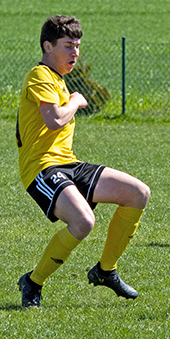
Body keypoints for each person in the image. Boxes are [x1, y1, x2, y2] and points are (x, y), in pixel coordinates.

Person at [16, 15, 151, 308]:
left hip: (67, 164)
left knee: (138, 193)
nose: (75, 53)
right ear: (47, 46)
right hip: (41, 168)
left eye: (77, 46)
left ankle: (106, 271)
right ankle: (33, 282)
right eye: (68, 46)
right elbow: (53, 121)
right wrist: (76, 100)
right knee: (83, 222)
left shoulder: (58, 80)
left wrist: (72, 97)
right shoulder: (39, 75)